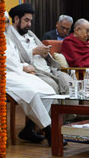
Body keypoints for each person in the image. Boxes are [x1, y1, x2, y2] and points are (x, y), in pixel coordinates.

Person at [3, 13, 57, 144]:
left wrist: (24, 66)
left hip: (18, 72)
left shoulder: (7, 38)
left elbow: (15, 60)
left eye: (6, 21)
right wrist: (23, 67)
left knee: (48, 91)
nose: (4, 25)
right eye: (1, 21)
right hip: (4, 75)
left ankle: (29, 129)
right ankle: (50, 133)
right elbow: (5, 62)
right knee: (32, 93)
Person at [4, 3, 74, 95]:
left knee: (70, 83)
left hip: (49, 69)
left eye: (30, 21)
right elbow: (13, 59)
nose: (29, 24)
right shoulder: (8, 36)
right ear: (16, 19)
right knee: (52, 86)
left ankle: (69, 109)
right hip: (34, 72)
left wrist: (44, 52)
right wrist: (33, 52)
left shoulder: (29, 33)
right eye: (26, 20)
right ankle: (54, 110)